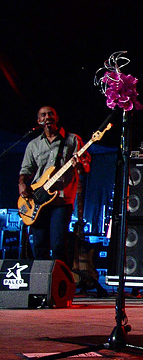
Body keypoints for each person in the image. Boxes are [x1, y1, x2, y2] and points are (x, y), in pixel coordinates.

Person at [18, 106, 91, 264]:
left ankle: (61, 283)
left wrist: (77, 165)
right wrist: (22, 183)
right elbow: (26, 170)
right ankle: (41, 284)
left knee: (58, 245)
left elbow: (85, 167)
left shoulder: (72, 140)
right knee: (39, 246)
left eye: (50, 114)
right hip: (37, 199)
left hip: (61, 200)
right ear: (39, 121)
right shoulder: (33, 144)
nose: (47, 117)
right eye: (43, 115)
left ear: (57, 118)